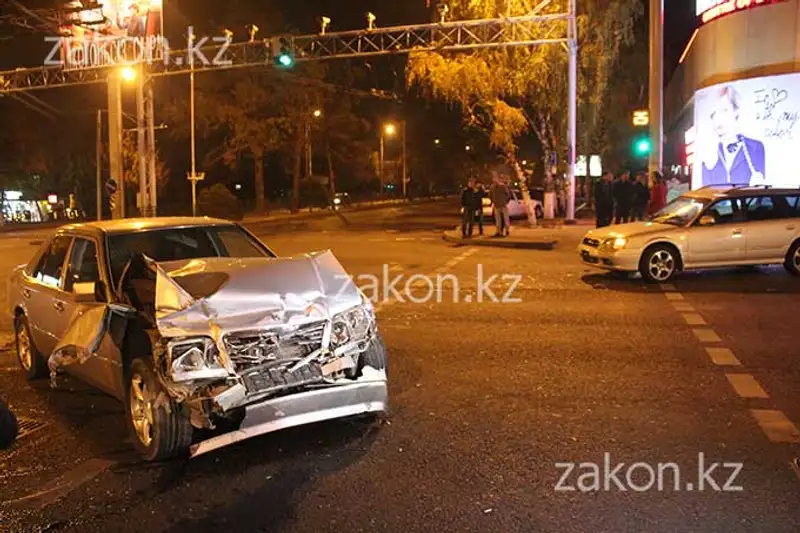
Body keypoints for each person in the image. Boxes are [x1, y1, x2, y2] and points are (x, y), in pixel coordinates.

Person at [700, 85, 766, 186]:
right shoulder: (709, 153)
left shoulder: (755, 147)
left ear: (736, 111)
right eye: (713, 114)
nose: (718, 118)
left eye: (723, 110)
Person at [489, 172, 512, 237]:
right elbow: (490, 195)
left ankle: (507, 230)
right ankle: (498, 231)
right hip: (496, 205)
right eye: (493, 179)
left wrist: (505, 202)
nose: (494, 180)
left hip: (503, 205)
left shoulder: (503, 186)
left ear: (498, 179)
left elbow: (508, 195)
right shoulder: (492, 187)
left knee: (506, 218)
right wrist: (493, 201)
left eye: (495, 178)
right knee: (498, 219)